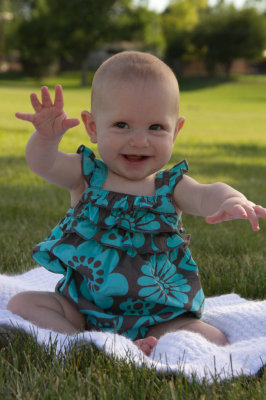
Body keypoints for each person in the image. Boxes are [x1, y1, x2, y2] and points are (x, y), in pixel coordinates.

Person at [7, 51, 266, 356]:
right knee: (22, 303)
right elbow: (44, 163)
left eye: (156, 127)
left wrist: (231, 199)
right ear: (92, 127)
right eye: (122, 125)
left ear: (176, 130)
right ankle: (79, 342)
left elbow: (206, 193)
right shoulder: (86, 174)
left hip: (157, 314)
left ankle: (143, 344)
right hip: (83, 307)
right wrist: (46, 139)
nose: (140, 140)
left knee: (215, 339)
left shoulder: (170, 187)